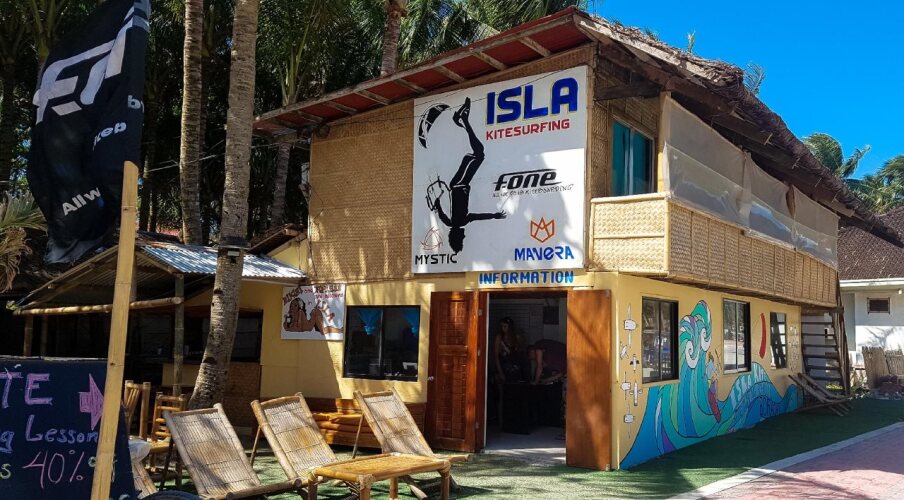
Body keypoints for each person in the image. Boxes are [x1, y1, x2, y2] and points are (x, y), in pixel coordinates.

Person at [426, 97, 506, 254]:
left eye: (461, 238)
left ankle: (462, 119)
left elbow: (477, 216)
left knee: (479, 153)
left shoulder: (461, 221)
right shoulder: (450, 222)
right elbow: (440, 211)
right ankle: (462, 119)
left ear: (458, 236)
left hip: (459, 183)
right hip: (459, 183)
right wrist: (437, 202)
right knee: (478, 154)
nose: (464, 236)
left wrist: (494, 215)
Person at [493, 317, 526, 383]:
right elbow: (496, 356)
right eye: (501, 326)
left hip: (514, 368)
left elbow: (520, 353)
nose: (503, 328)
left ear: (510, 327)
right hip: (503, 366)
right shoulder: (499, 337)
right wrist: (500, 372)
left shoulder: (516, 337)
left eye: (505, 326)